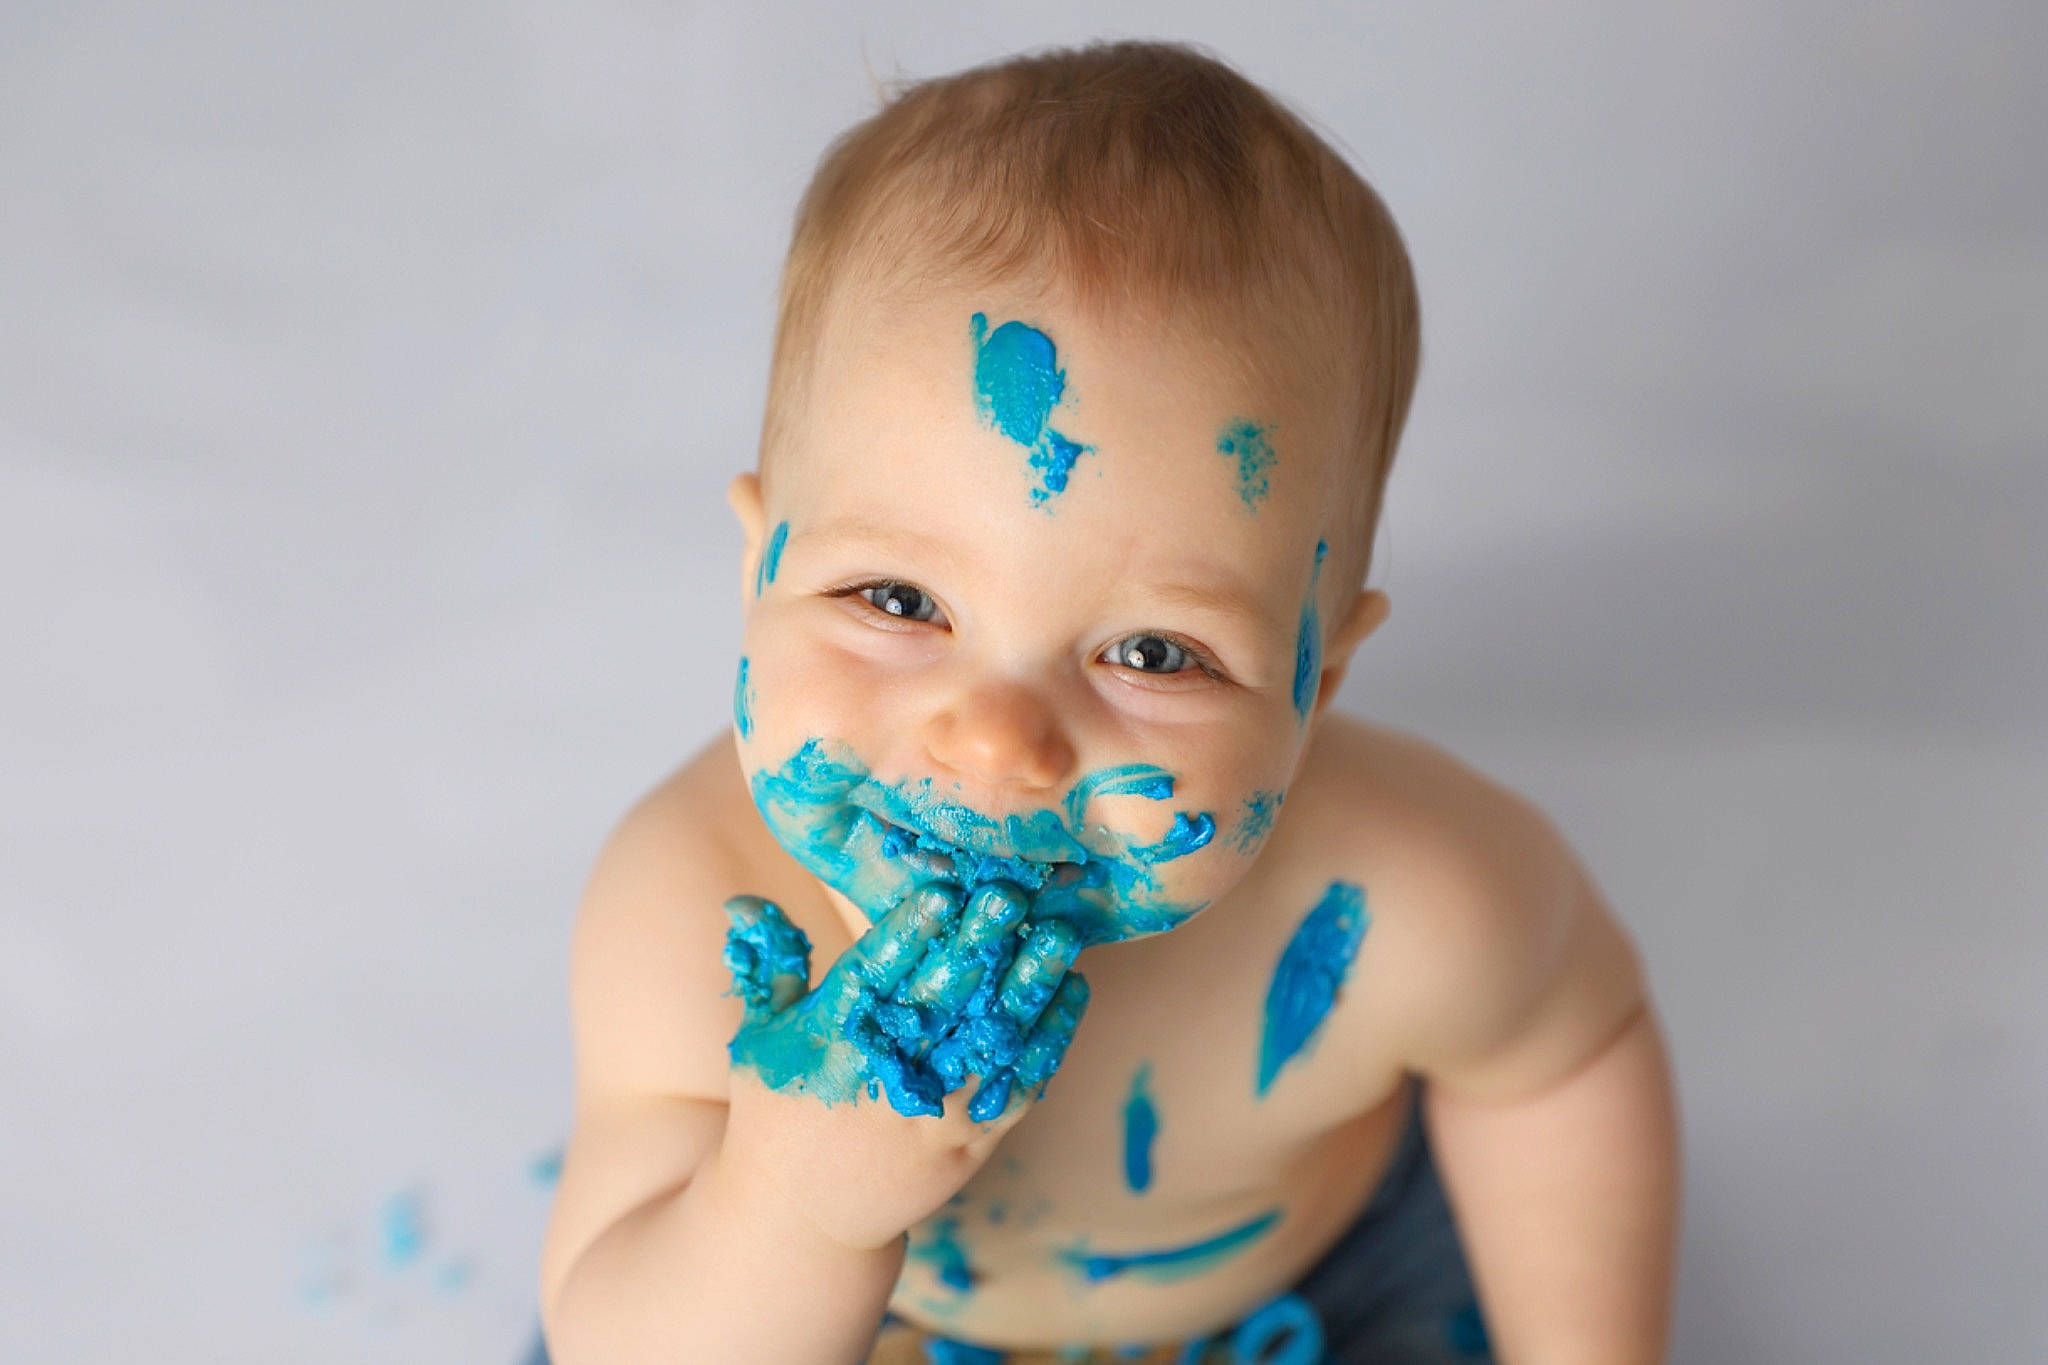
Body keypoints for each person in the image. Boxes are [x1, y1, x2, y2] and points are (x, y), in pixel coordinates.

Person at [531, 39, 1679, 1365]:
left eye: (1153, 654)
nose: (998, 741)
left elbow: (1564, 1059)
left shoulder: (1406, 892)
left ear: (1318, 676)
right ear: (760, 569)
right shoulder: (694, 911)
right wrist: (789, 1210)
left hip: (1320, 1293)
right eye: (898, 600)